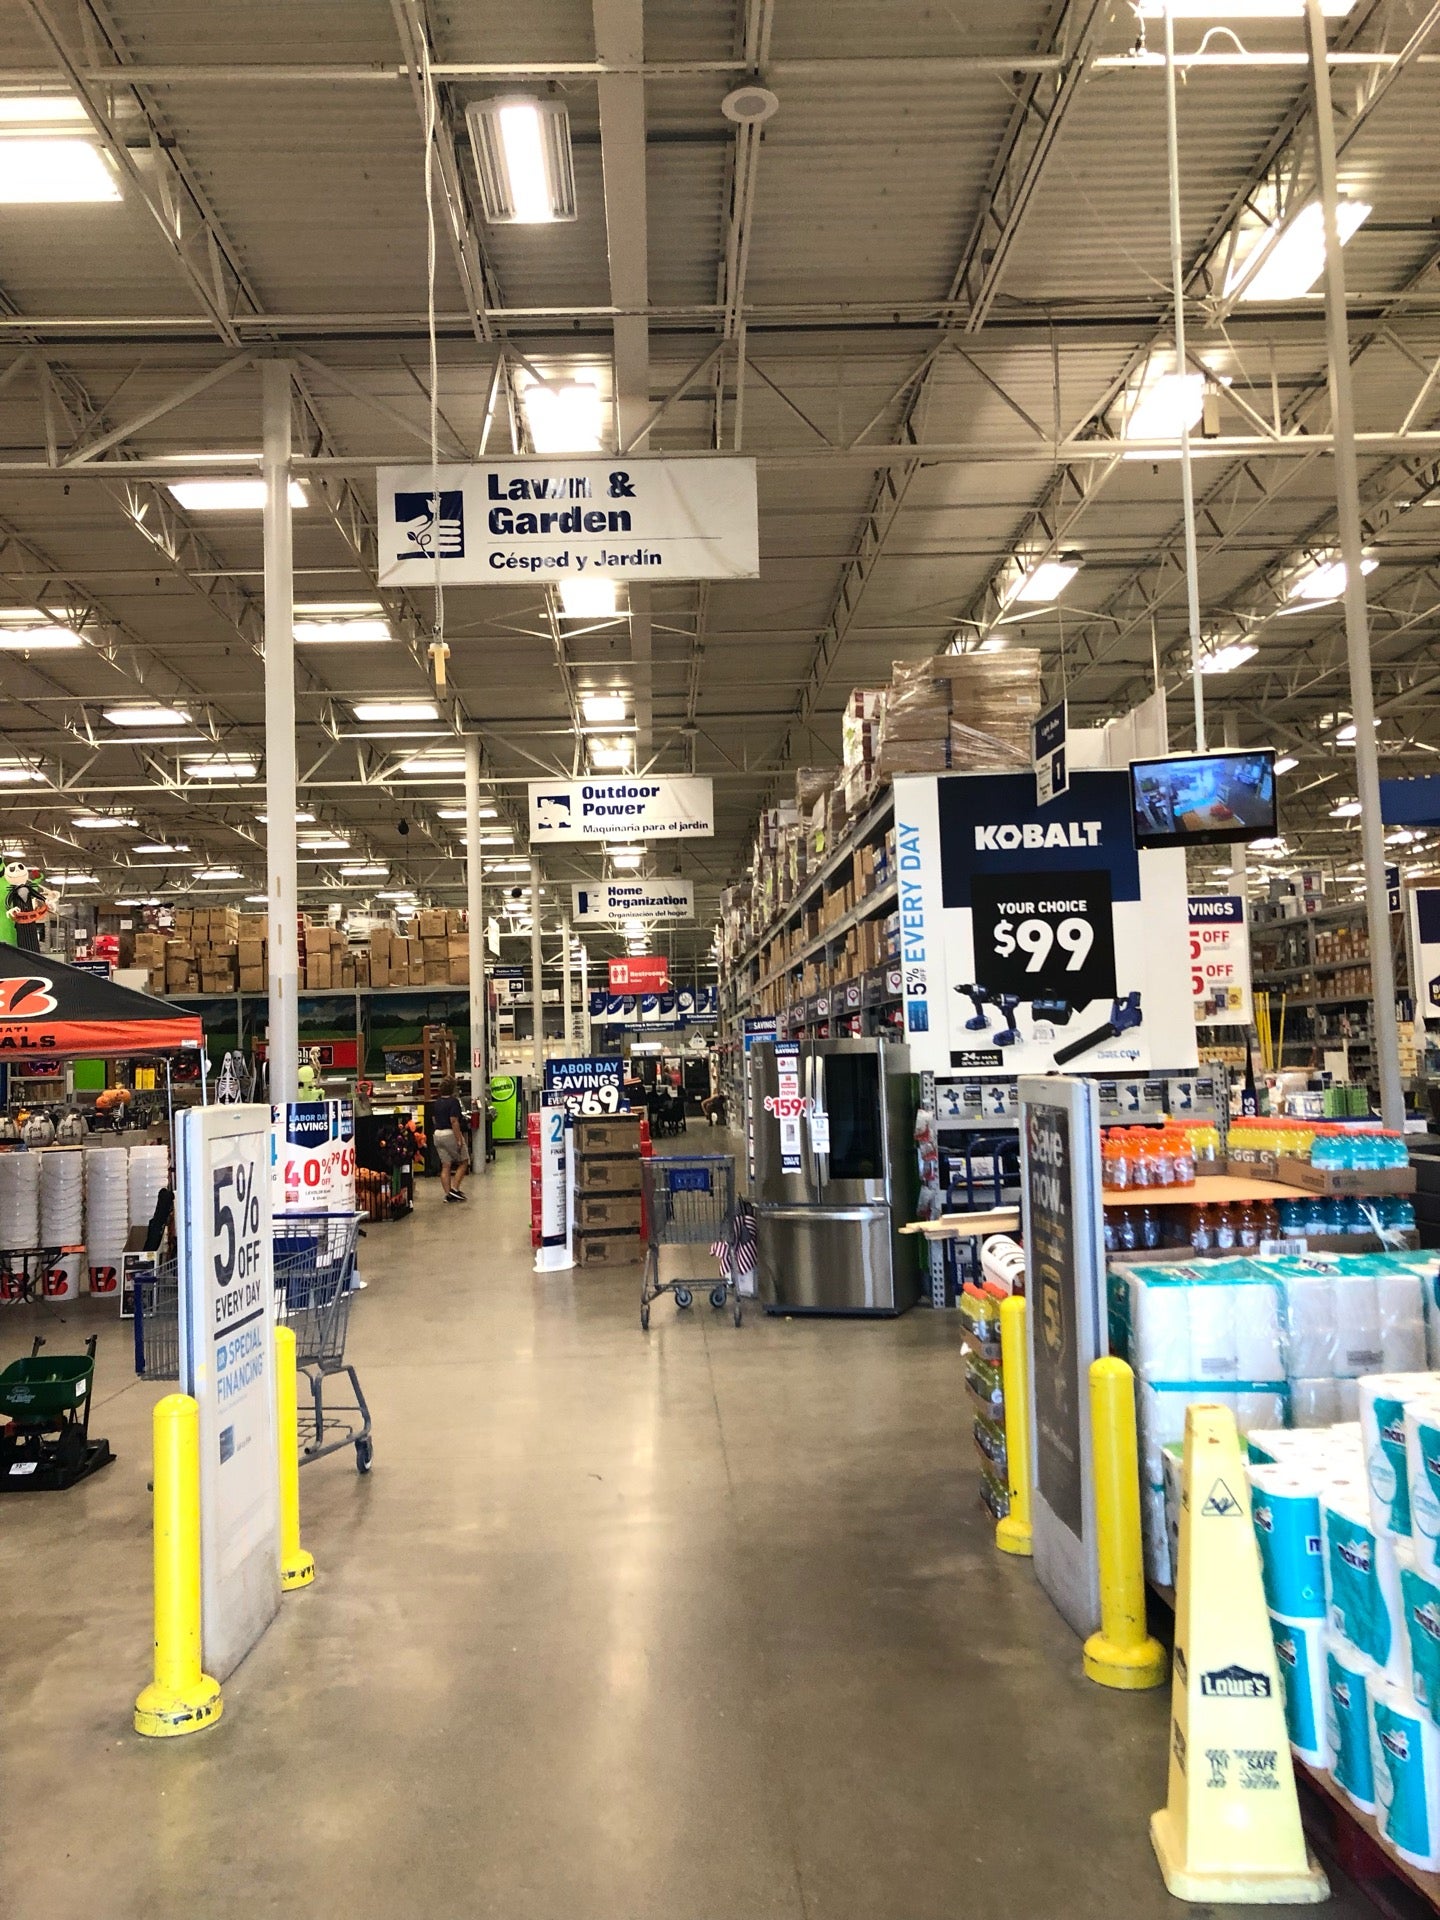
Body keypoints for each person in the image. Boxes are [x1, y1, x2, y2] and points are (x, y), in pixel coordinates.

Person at [431, 1077, 470, 1202]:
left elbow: (434, 1119)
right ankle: (455, 1189)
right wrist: (459, 1139)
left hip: (437, 1134)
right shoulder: (453, 1102)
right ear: (453, 1088)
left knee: (446, 1165)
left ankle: (448, 1194)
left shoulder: (437, 1102)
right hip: (449, 1134)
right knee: (464, 1161)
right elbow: (454, 1121)